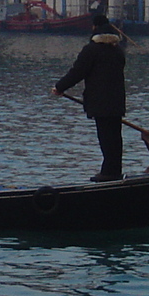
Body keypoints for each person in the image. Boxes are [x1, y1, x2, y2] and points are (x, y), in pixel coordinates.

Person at [51, 14, 127, 182]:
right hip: (117, 102)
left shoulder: (91, 50)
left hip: (100, 102)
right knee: (115, 137)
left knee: (105, 137)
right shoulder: (118, 51)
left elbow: (77, 72)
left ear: (95, 28)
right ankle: (114, 170)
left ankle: (108, 173)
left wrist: (59, 87)